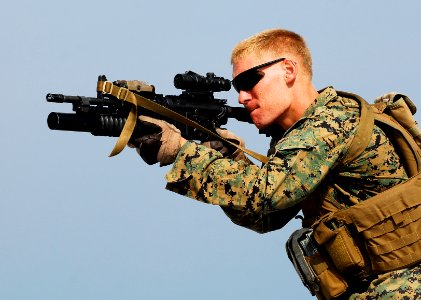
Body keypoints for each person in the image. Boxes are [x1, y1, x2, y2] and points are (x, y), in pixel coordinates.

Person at [130, 29, 421, 299]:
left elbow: (264, 196)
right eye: (237, 87)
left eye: (249, 81)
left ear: (289, 70)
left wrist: (181, 152)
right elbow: (264, 217)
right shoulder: (300, 134)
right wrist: (228, 157)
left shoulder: (329, 123)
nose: (242, 97)